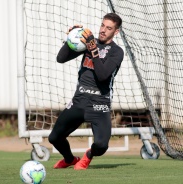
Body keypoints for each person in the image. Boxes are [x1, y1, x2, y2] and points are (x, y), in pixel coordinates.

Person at [48, 13, 124, 170]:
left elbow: (103, 76)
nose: (103, 30)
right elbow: (60, 58)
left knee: (102, 146)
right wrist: (71, 40)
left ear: (115, 32)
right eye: (102, 25)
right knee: (54, 138)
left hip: (100, 104)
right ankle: (69, 159)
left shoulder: (117, 52)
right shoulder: (89, 42)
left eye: (108, 28)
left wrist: (94, 50)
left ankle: (88, 155)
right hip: (79, 100)